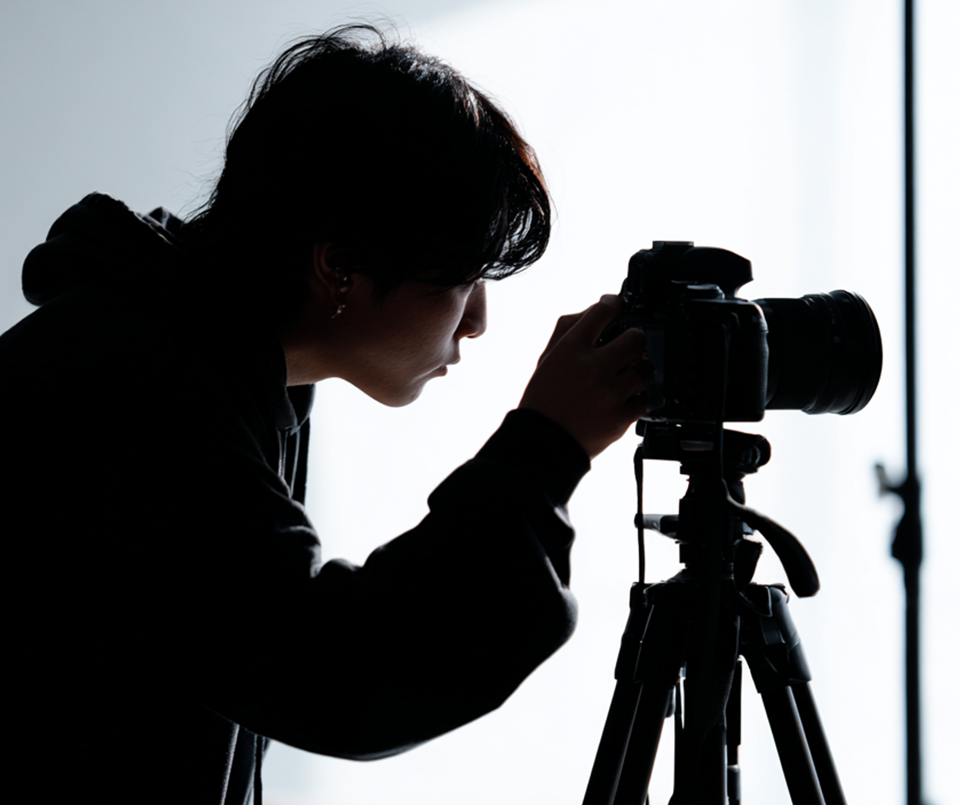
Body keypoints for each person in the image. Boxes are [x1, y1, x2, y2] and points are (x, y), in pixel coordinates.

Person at [3, 24, 649, 804]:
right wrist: (546, 450)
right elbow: (331, 672)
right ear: (339, 265)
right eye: (463, 278)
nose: (477, 320)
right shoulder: (135, 384)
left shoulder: (207, 360)